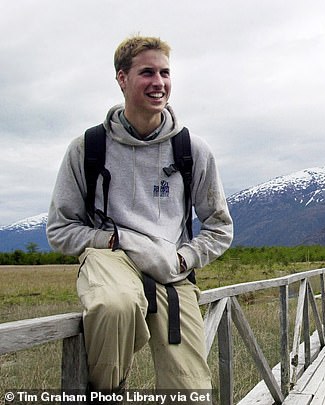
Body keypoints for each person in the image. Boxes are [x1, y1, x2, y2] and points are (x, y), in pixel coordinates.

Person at [46, 35, 233, 395]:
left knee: (190, 390)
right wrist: (110, 239)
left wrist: (184, 257)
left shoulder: (191, 150)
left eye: (165, 72)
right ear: (122, 79)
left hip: (170, 268)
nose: (158, 83)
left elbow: (219, 226)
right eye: (147, 72)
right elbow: (60, 228)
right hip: (110, 257)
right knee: (114, 307)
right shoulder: (88, 148)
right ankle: (106, 394)